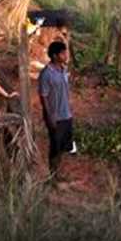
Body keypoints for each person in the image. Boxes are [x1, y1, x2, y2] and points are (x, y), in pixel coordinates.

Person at [38, 40, 74, 176]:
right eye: (63, 53)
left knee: (64, 146)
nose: (66, 55)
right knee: (55, 146)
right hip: (55, 116)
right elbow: (43, 97)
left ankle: (58, 172)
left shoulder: (64, 70)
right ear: (54, 56)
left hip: (66, 114)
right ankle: (53, 175)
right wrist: (50, 116)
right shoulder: (46, 74)